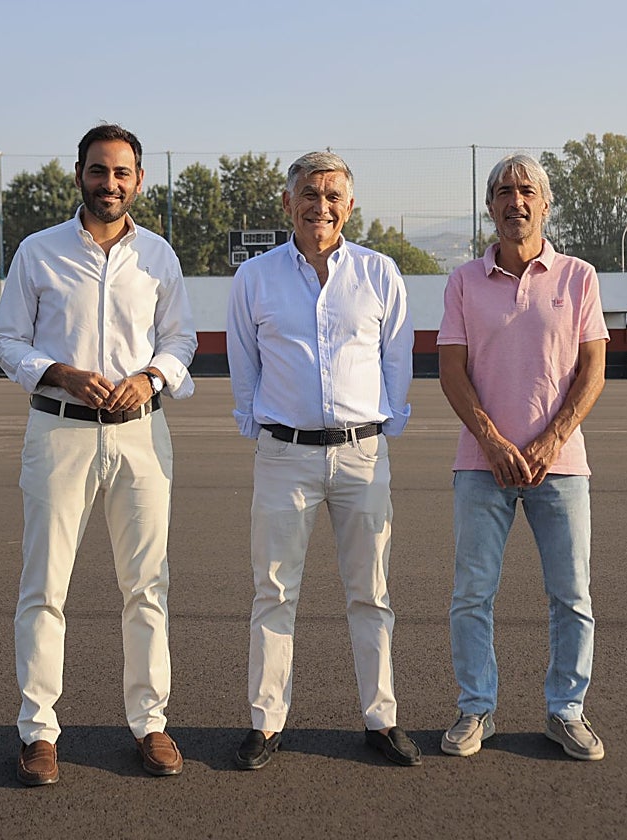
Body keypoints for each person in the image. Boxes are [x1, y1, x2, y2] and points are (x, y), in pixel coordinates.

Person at [0, 123, 197, 785]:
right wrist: (60, 372)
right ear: (78, 173)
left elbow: (181, 340)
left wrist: (151, 377)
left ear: (139, 180)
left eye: (123, 173)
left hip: (141, 436)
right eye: (99, 171)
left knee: (147, 588)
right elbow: (5, 340)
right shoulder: (39, 251)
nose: (111, 184)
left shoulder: (158, 256)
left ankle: (151, 724)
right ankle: (38, 731)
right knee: (45, 587)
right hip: (59, 430)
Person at [226, 151, 420, 769]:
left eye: (333, 195)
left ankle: (381, 719)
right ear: (288, 203)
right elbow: (243, 365)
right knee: (273, 591)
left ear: (350, 205)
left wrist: (382, 425)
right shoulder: (254, 278)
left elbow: (396, 361)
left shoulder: (380, 273)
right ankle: (265, 721)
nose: (321, 205)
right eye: (309, 194)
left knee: (372, 592)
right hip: (284, 454)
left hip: (363, 456)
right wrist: (261, 427)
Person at [436, 153, 609, 761]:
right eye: (504, 191)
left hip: (560, 468)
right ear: (490, 206)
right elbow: (451, 369)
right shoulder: (463, 282)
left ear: (545, 202)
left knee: (572, 595)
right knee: (472, 596)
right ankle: (474, 709)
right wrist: (491, 439)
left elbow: (593, 369)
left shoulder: (578, 277)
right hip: (481, 467)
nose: (516, 201)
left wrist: (551, 438)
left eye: (527, 190)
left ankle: (566, 711)